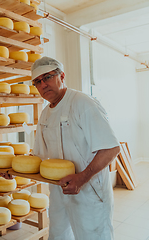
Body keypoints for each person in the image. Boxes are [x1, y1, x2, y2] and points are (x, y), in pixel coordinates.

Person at [31, 56, 120, 240]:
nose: (43, 85)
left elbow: (111, 148)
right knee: (58, 236)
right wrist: (11, 170)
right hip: (59, 193)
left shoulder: (83, 103)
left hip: (89, 193)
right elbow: (37, 156)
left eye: (47, 77)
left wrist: (82, 178)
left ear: (61, 76)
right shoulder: (45, 114)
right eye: (37, 82)